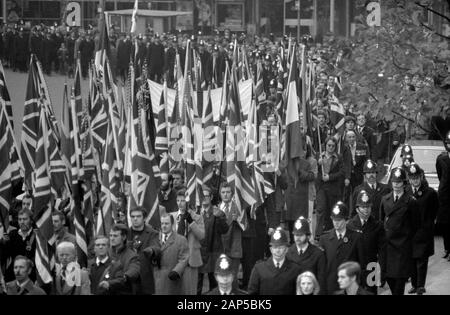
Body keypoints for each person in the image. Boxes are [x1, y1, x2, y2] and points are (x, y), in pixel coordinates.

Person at [380, 167, 419, 295]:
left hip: (402, 248)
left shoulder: (411, 202)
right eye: (394, 182)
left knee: (399, 284)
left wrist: (406, 239)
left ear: (404, 183)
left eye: (399, 182)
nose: (396, 185)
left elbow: (415, 225)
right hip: (388, 248)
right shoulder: (385, 199)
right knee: (390, 279)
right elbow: (382, 221)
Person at [319, 201, 365, 294]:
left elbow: (362, 264)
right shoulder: (324, 239)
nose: (336, 223)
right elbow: (322, 268)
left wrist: (360, 285)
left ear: (346, 220)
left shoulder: (356, 238)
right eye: (334, 219)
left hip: (349, 286)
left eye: (339, 220)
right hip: (331, 286)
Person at [407, 163, 438, 295]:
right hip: (410, 233)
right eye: (412, 178)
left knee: (421, 261)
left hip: (423, 232)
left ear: (421, 177)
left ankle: (420, 285)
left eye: (417, 178)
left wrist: (429, 226)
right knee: (412, 261)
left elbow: (435, 210)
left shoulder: (430, 193)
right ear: (409, 179)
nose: (415, 180)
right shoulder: (406, 192)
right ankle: (414, 284)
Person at [347, 190, 385, 294]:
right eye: (363, 207)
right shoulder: (350, 225)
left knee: (371, 292)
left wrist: (382, 270)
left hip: (371, 268)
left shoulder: (378, 226)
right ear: (357, 208)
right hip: (355, 269)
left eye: (368, 207)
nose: (366, 210)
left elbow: (382, 250)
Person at [247, 227, 301, 295]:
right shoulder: (259, 268)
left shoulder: (295, 269)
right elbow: (252, 293)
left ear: (286, 249)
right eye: (275, 247)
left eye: (281, 247)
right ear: (271, 249)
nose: (277, 251)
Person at [173, 190, 205, 295]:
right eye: (178, 200)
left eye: (183, 200)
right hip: (175, 257)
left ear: (187, 202)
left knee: (190, 291)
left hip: (191, 258)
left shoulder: (198, 217)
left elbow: (201, 236)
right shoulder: (172, 217)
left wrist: (191, 222)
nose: (180, 203)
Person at [198, 186, 228, 295]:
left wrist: (219, 218)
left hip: (213, 252)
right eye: (202, 196)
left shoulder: (218, 212)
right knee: (197, 285)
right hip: (199, 253)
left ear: (211, 197)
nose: (204, 198)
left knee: (213, 285)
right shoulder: (195, 212)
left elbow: (224, 230)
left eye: (206, 196)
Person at [286, 217, 326, 294]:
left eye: (301, 235)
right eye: (295, 235)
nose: (297, 238)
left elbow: (321, 281)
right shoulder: (288, 253)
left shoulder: (318, 254)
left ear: (308, 236)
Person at [97, 224, 140, 295]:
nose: (112, 238)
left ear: (124, 237)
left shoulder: (132, 256)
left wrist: (125, 277)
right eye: (110, 235)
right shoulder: (107, 252)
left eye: (115, 236)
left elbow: (133, 272)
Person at [316, 136, 345, 239]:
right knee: (321, 209)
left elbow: (342, 172)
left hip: (333, 187)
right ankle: (318, 234)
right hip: (321, 187)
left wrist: (330, 177)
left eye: (333, 146)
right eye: (329, 145)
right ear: (325, 145)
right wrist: (318, 164)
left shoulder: (339, 157)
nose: (331, 147)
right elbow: (314, 171)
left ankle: (330, 232)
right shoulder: (319, 156)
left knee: (332, 210)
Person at [128, 206, 161, 295]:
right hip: (126, 279)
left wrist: (151, 251)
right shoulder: (125, 233)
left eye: (138, 216)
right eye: (132, 216)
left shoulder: (152, 233)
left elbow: (156, 247)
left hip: (144, 278)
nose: (135, 219)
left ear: (144, 218)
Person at [154, 214, 189, 295]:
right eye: (162, 223)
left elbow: (184, 258)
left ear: (172, 224)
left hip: (172, 281)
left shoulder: (181, 240)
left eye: (166, 223)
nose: (164, 226)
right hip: (156, 281)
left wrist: (176, 271)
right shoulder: (155, 238)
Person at [0, 208, 36, 282]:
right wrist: (3, 243)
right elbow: (3, 256)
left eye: (25, 219)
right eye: (20, 219)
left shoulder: (36, 236)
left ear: (31, 221)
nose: (22, 222)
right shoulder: (12, 234)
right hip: (13, 275)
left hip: (30, 275)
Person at [218, 182, 243, 285]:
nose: (225, 194)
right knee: (221, 278)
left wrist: (238, 219)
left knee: (233, 279)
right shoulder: (216, 209)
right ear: (220, 194)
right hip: (220, 249)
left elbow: (246, 227)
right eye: (223, 192)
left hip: (234, 249)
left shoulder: (239, 208)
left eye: (228, 192)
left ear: (232, 193)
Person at [436, 131, 450, 261]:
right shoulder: (441, 158)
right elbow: (441, 176)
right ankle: (447, 248)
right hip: (446, 196)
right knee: (445, 224)